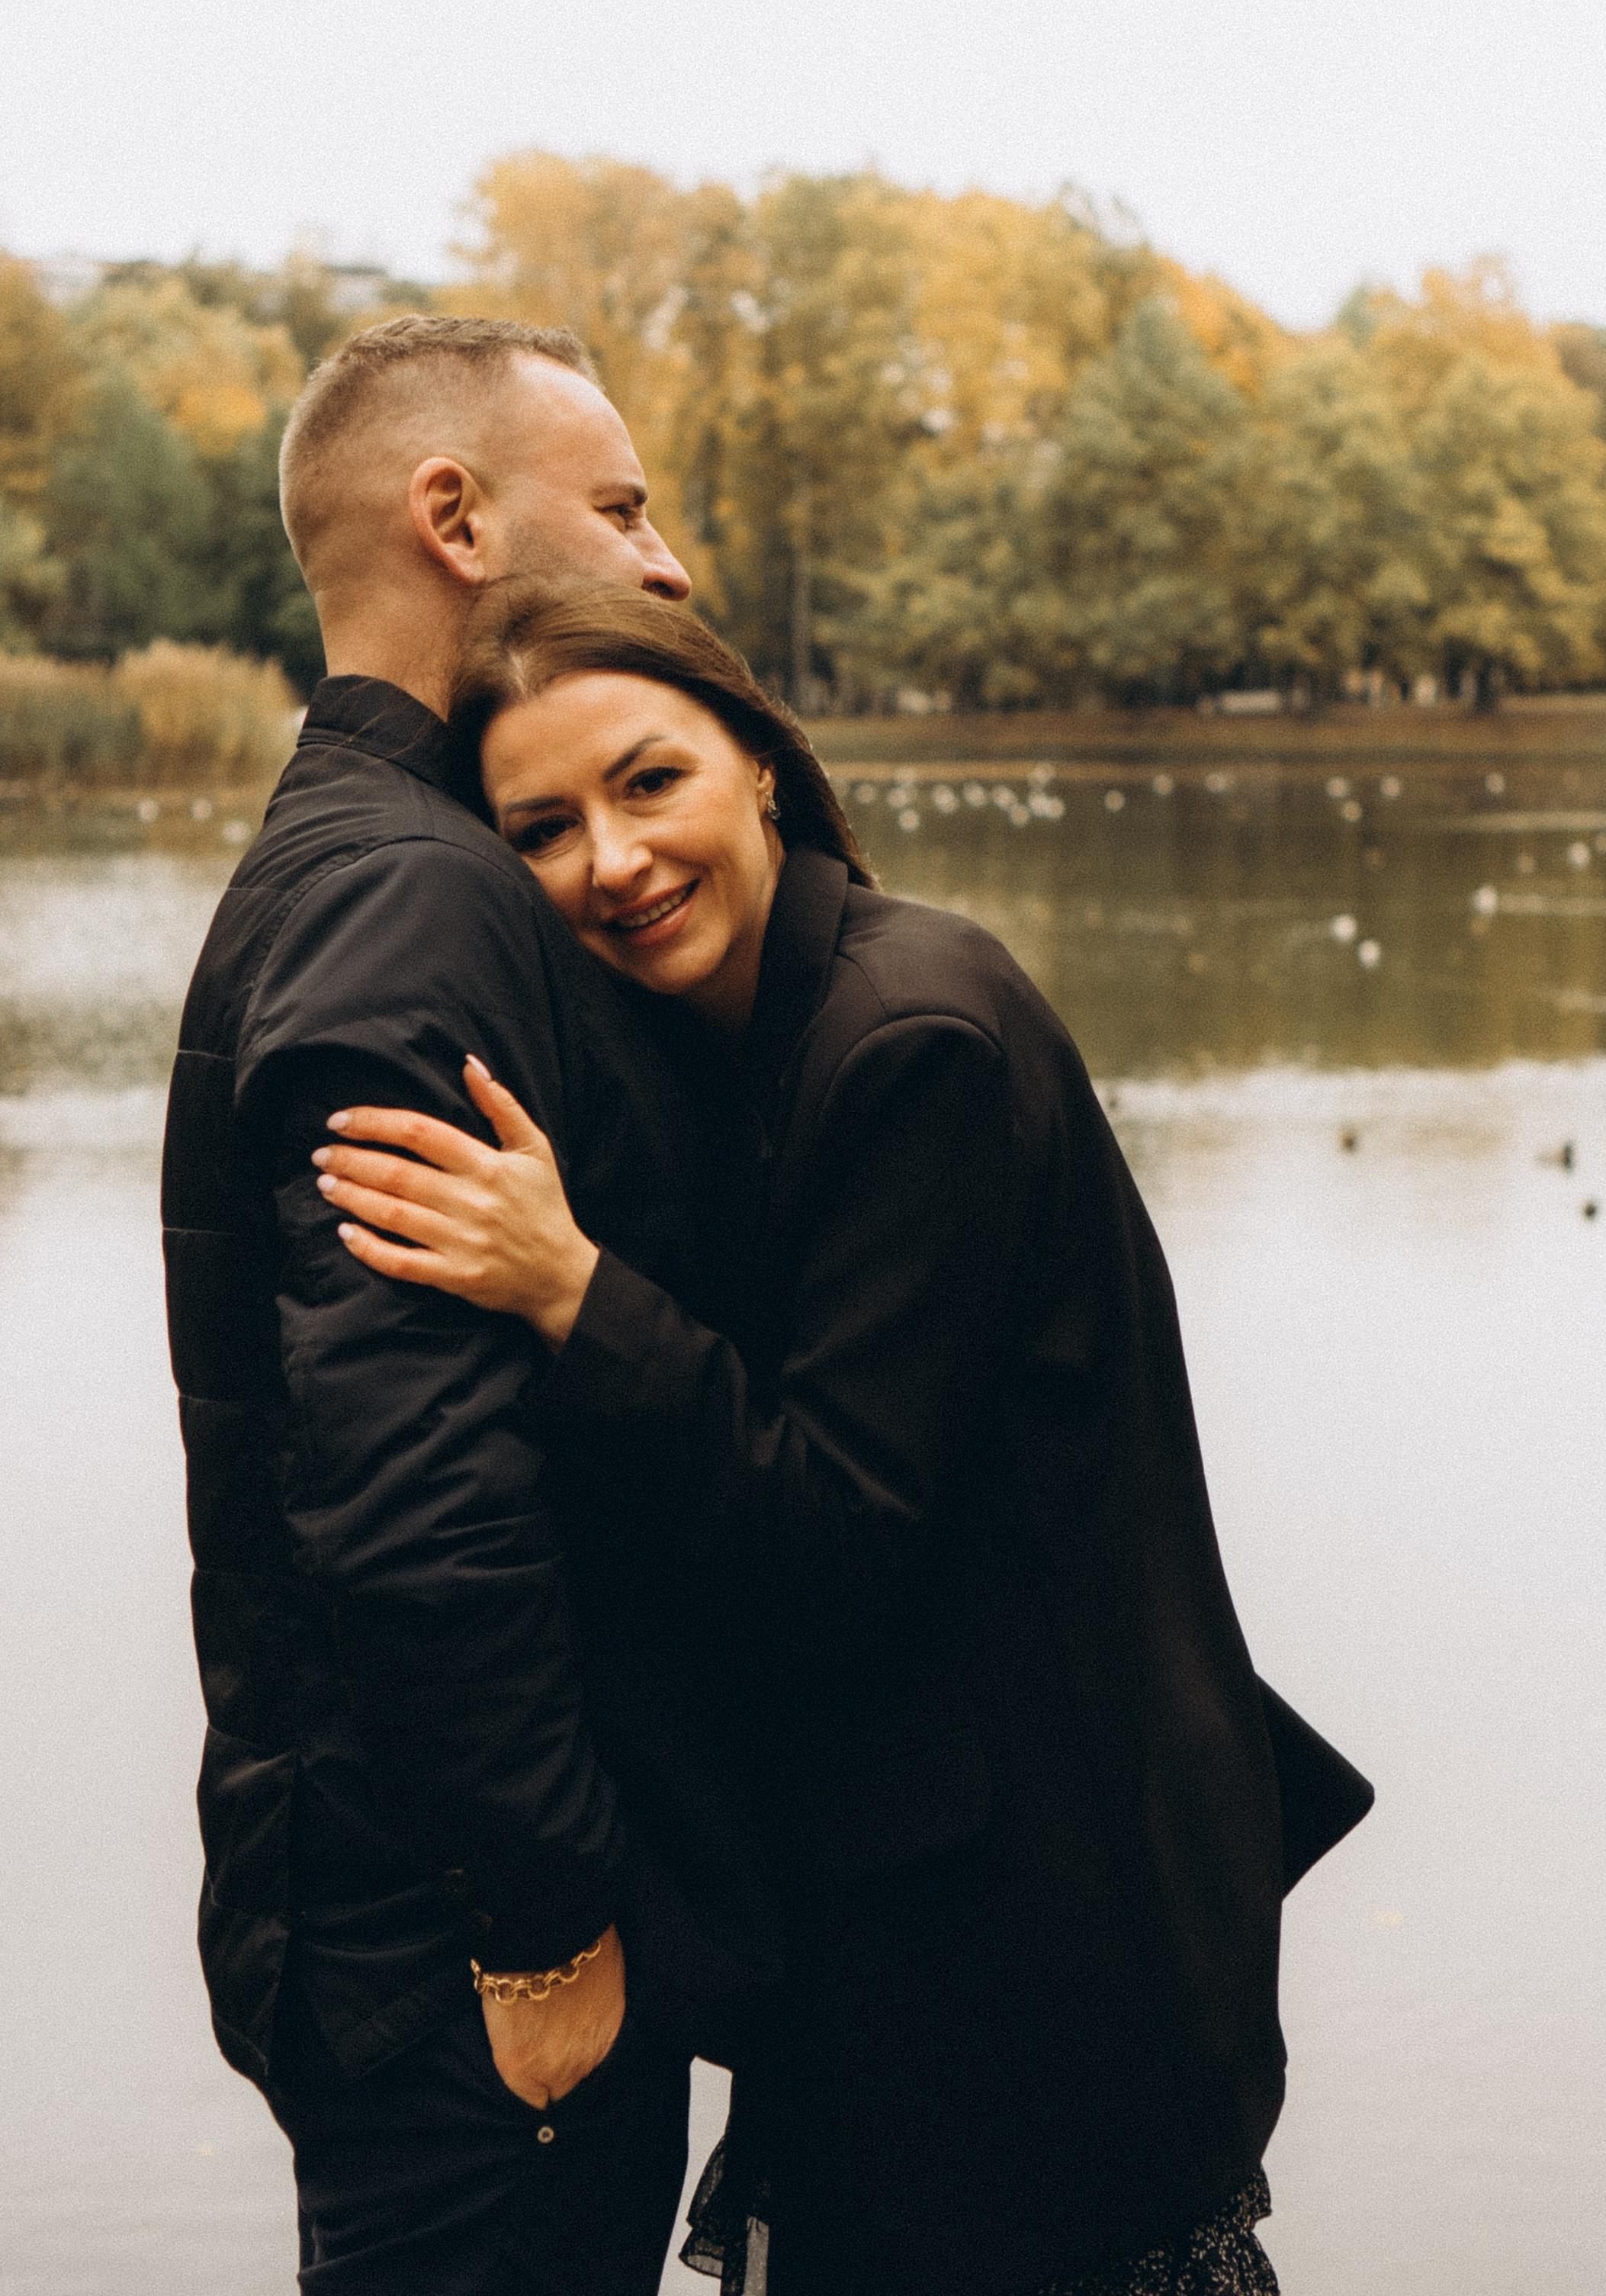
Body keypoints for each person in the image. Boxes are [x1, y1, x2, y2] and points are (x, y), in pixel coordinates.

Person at [313, 577, 1373, 2296]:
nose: (610, 858)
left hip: (1038, 1938)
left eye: (648, 783)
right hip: (916, 1903)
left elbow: (844, 1529)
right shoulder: (735, 1040)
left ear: (760, 770)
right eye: (542, 828)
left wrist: (575, 1293)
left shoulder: (912, 1046)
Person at [162, 319, 780, 2296]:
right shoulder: (413, 898)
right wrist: (541, 1926)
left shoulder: (380, 858)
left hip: (409, 1919)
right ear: (453, 517)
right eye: (615, 505)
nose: (664, 558)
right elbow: (408, 1472)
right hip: (458, 1957)